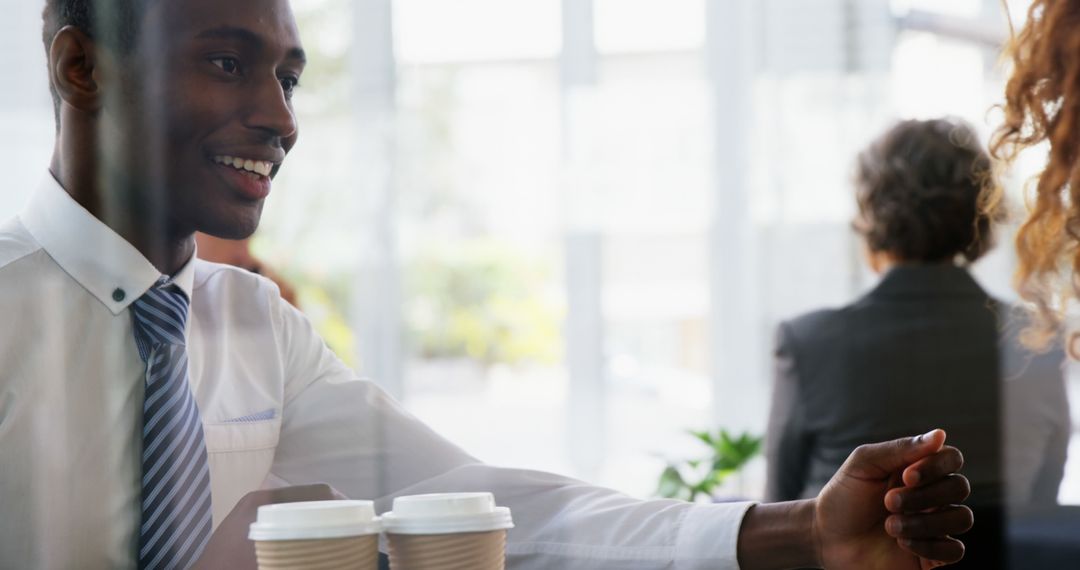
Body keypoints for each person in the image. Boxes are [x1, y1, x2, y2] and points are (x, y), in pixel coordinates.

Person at [0, 0, 973, 568]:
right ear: (82, 66)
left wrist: (800, 531)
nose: (278, 118)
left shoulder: (251, 325)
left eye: (288, 79)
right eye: (226, 62)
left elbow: (478, 503)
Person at [764, 118, 1070, 568]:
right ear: (980, 216)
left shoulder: (808, 341)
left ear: (869, 220)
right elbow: (1040, 500)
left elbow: (782, 514)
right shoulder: (1037, 337)